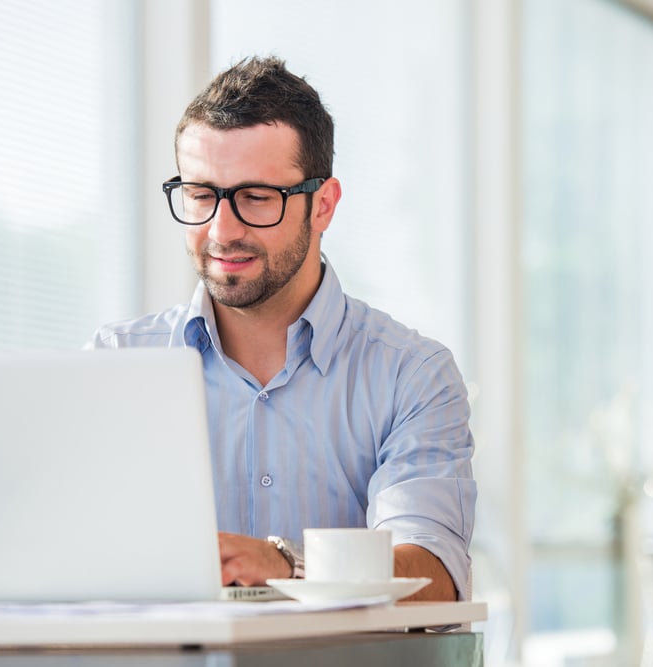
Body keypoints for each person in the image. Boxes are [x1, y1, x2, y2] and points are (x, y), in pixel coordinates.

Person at [88, 56, 476, 602]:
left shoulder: (411, 375)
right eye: (201, 195)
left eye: (256, 198)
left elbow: (433, 572)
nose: (222, 230)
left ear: (323, 205)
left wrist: (286, 564)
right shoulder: (115, 363)